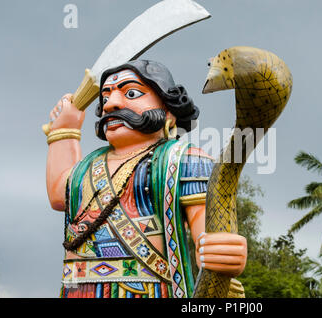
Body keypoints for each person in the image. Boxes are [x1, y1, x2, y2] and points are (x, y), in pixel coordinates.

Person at [46, 60, 247, 298]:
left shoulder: (185, 160)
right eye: (105, 98)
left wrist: (219, 251)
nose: (111, 105)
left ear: (169, 112)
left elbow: (207, 230)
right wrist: (64, 132)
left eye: (131, 93)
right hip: (78, 289)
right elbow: (60, 194)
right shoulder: (88, 166)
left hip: (148, 289)